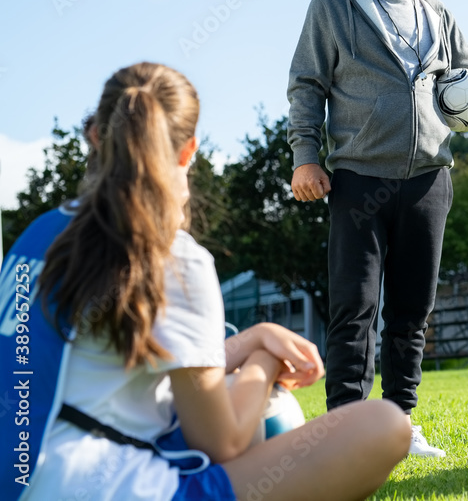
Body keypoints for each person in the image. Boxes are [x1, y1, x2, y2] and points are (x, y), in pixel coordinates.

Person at [0, 63, 410, 501]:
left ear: (96, 136)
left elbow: (134, 361)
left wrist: (258, 337)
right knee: (381, 426)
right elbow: (221, 441)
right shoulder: (173, 256)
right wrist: (265, 364)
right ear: (188, 151)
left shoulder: (38, 234)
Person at [286, 0, 468, 457]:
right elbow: (306, 85)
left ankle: (398, 422)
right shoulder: (335, 5)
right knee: (355, 307)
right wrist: (305, 155)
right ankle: (344, 429)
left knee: (412, 312)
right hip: (358, 179)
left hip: (428, 181)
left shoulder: (438, 14)